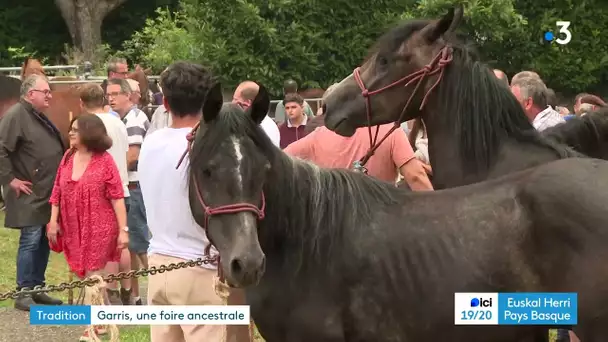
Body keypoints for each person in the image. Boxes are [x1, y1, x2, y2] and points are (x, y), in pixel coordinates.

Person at [139, 61, 227, 341]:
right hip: (199, 268)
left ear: (164, 102)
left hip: (159, 263)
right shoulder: (207, 145)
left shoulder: (150, 143)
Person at [47, 114, 128, 340]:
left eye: (76, 129)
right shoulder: (68, 156)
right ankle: (106, 316)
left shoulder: (104, 161)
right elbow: (57, 190)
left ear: (89, 132)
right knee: (89, 275)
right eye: (71, 129)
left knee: (93, 274)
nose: (70, 132)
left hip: (100, 225)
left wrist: (123, 230)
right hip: (73, 226)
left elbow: (117, 197)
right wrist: (53, 220)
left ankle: (95, 327)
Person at [0, 74, 65, 311]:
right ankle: (24, 291)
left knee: (43, 241)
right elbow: (1, 149)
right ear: (30, 94)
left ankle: (37, 287)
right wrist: (10, 180)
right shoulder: (16, 115)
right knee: (30, 241)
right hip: (28, 192)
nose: (49, 95)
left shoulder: (35, 115)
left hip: (44, 192)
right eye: (45, 91)